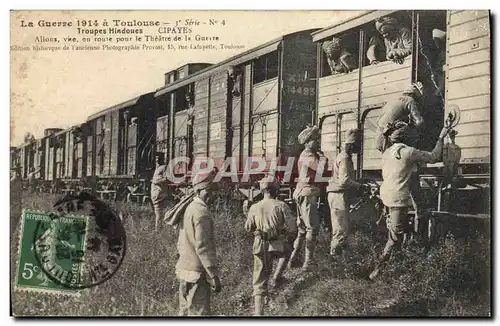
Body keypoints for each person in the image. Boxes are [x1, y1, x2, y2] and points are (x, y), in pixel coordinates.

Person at [369, 121, 449, 280]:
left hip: (386, 196)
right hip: (398, 198)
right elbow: (433, 157)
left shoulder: (387, 152)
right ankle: (377, 271)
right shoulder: (409, 152)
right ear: (407, 138)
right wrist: (441, 136)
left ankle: (395, 267)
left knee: (396, 232)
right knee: (395, 237)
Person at [245, 175, 297, 316]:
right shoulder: (281, 205)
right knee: (287, 251)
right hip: (277, 245)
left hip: (260, 246)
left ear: (262, 191)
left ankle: (258, 313)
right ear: (276, 190)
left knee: (259, 280)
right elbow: (293, 228)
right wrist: (288, 239)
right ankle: (276, 277)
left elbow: (248, 228)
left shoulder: (254, 207)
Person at [175, 169, 221, 316]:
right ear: (200, 190)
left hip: (184, 270)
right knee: (199, 314)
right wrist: (213, 275)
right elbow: (203, 247)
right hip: (197, 274)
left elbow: (182, 241)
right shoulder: (202, 213)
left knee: (184, 312)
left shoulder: (189, 208)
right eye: (210, 191)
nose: (213, 195)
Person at [326, 129, 370, 256]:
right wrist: (360, 186)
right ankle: (334, 259)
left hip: (337, 195)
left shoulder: (343, 156)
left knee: (342, 228)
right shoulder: (345, 158)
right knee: (341, 229)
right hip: (338, 195)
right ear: (351, 145)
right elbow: (344, 181)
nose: (359, 148)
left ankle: (338, 257)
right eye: (357, 145)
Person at [288, 125, 324, 272]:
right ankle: (308, 262)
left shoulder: (306, 154)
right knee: (312, 228)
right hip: (307, 192)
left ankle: (293, 259)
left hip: (302, 192)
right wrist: (323, 157)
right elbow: (320, 169)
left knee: (302, 229)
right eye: (315, 139)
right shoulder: (308, 154)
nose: (318, 142)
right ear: (307, 141)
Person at [375, 82, 425, 153]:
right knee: (415, 132)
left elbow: (378, 120)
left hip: (379, 138)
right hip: (391, 138)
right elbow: (419, 121)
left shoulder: (393, 99)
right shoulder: (409, 100)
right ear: (413, 94)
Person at [150, 153, 169, 232]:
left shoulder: (164, 167)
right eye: (156, 158)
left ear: (162, 159)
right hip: (156, 192)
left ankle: (157, 230)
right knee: (158, 212)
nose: (157, 160)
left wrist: (156, 181)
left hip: (159, 193)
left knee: (158, 212)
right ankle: (159, 229)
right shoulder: (158, 168)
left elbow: (166, 178)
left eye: (158, 158)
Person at [432, 29, 446, 98]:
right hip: (439, 74)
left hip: (443, 75)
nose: (435, 43)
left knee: (439, 91)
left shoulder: (445, 52)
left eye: (436, 41)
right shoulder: (441, 53)